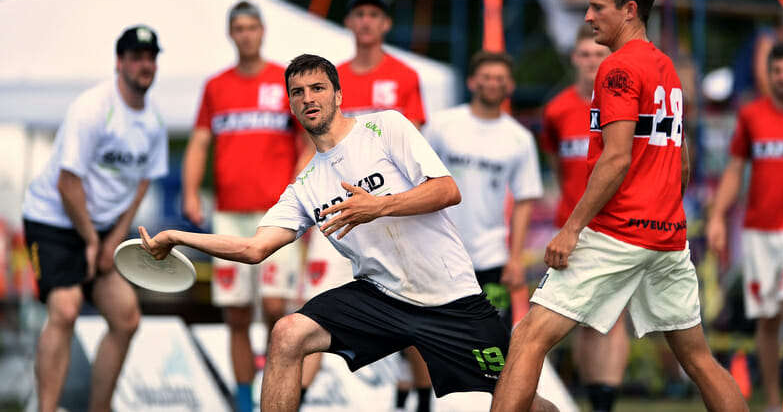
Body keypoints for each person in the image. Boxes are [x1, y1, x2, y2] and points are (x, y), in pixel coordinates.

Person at [139, 54, 556, 412]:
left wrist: (378, 206)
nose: (308, 98)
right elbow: (253, 247)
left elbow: (447, 190)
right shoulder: (306, 184)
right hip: (381, 296)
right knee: (287, 333)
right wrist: (178, 236)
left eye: (317, 88)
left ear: (338, 95)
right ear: (291, 106)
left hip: (452, 299)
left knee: (521, 401)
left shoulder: (385, 127)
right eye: (297, 93)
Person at [490, 0, 748, 412]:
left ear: (629, 10)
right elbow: (681, 157)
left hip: (617, 231)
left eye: (597, 7)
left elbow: (615, 157)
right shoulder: (665, 66)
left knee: (528, 337)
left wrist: (571, 228)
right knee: (698, 357)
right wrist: (663, 206)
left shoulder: (616, 68)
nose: (588, 17)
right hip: (667, 235)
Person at [22, 25, 168, 412]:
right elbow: (67, 185)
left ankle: (99, 408)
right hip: (53, 220)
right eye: (136, 57)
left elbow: (142, 183)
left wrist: (113, 238)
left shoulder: (154, 122)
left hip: (101, 229)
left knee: (127, 318)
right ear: (119, 63)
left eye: (150, 57)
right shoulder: (92, 108)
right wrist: (90, 241)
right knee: (66, 309)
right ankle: (46, 409)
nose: (144, 64)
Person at [301, 0, 431, 411]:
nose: (368, 21)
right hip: (337, 213)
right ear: (350, 22)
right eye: (360, 13)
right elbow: (314, 144)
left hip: (390, 213)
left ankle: (418, 400)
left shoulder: (405, 75)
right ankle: (295, 397)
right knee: (313, 314)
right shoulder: (329, 77)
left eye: (376, 14)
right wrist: (303, 205)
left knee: (409, 317)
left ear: (386, 24)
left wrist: (409, 204)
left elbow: (417, 147)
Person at [182, 0, 308, 412]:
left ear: (263, 31)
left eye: (253, 26)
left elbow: (306, 140)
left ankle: (281, 392)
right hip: (230, 212)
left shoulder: (283, 80)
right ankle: (242, 401)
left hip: (276, 213)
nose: (247, 34)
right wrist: (189, 192)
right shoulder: (216, 86)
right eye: (240, 27)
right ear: (231, 34)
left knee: (275, 308)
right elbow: (200, 140)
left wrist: (298, 187)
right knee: (236, 314)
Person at [707, 41, 783, 411]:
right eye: (777, 71)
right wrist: (716, 216)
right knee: (767, 317)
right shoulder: (752, 116)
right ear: (768, 75)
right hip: (758, 229)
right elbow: (734, 169)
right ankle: (775, 401)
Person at [540, 24, 629, 412]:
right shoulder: (557, 109)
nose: (592, 62)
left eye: (598, 55)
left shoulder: (622, 103)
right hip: (571, 227)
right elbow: (559, 165)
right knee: (580, 315)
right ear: (574, 58)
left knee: (613, 315)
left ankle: (605, 402)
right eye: (585, 55)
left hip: (615, 223)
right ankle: (594, 394)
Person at [423, 49, 543, 330]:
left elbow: (525, 200)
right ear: (472, 82)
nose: (492, 83)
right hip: (440, 252)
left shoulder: (520, 138)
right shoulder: (443, 125)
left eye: (500, 79)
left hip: (492, 258)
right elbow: (419, 180)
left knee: (492, 340)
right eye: (486, 77)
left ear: (510, 86)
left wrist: (515, 259)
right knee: (437, 335)